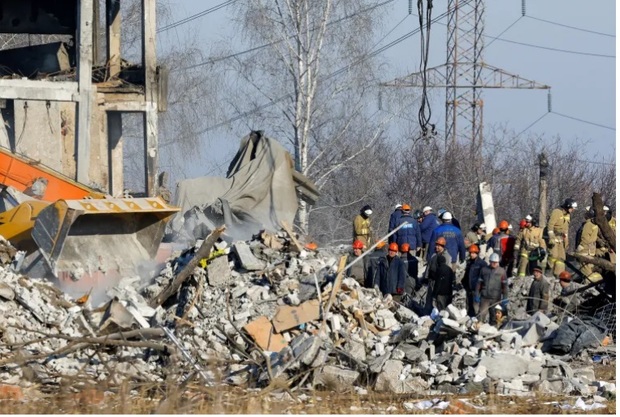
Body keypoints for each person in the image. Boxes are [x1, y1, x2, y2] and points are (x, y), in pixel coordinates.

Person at [546, 198, 577, 278]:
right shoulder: (557, 212)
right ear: (568, 206)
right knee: (554, 255)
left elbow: (566, 229)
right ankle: (549, 271)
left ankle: (559, 275)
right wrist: (551, 237)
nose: (573, 210)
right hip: (553, 237)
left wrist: (566, 241)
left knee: (561, 258)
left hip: (560, 239)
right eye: (572, 208)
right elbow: (550, 225)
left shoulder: (568, 215)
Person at [475, 252, 508, 325]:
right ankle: (479, 330)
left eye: (496, 262)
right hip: (485, 298)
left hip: (496, 299)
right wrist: (477, 294)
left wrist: (505, 297)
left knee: (494, 316)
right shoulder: (484, 270)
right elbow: (479, 283)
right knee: (481, 315)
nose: (494, 264)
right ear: (489, 261)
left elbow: (505, 286)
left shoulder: (502, 272)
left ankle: (493, 331)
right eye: (492, 262)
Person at [424, 237, 452, 314]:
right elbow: (428, 267)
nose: (437, 247)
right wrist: (426, 277)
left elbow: (447, 272)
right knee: (429, 301)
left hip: (439, 283)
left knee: (438, 303)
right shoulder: (433, 255)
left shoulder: (447, 257)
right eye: (436, 245)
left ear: (443, 246)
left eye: (439, 245)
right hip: (431, 281)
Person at [575, 207, 603, 282]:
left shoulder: (588, 224)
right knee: (589, 269)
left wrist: (580, 246)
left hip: (585, 251)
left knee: (586, 272)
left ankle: (588, 285)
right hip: (590, 251)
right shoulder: (595, 224)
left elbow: (584, 237)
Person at [462, 244, 487, 317]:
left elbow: (484, 277)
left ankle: (478, 319)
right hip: (469, 288)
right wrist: (464, 283)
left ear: (477, 253)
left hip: (477, 289)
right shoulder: (469, 262)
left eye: (473, 253)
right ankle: (470, 318)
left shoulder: (482, 264)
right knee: (469, 305)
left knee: (476, 306)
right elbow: (467, 274)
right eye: (470, 253)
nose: (471, 254)